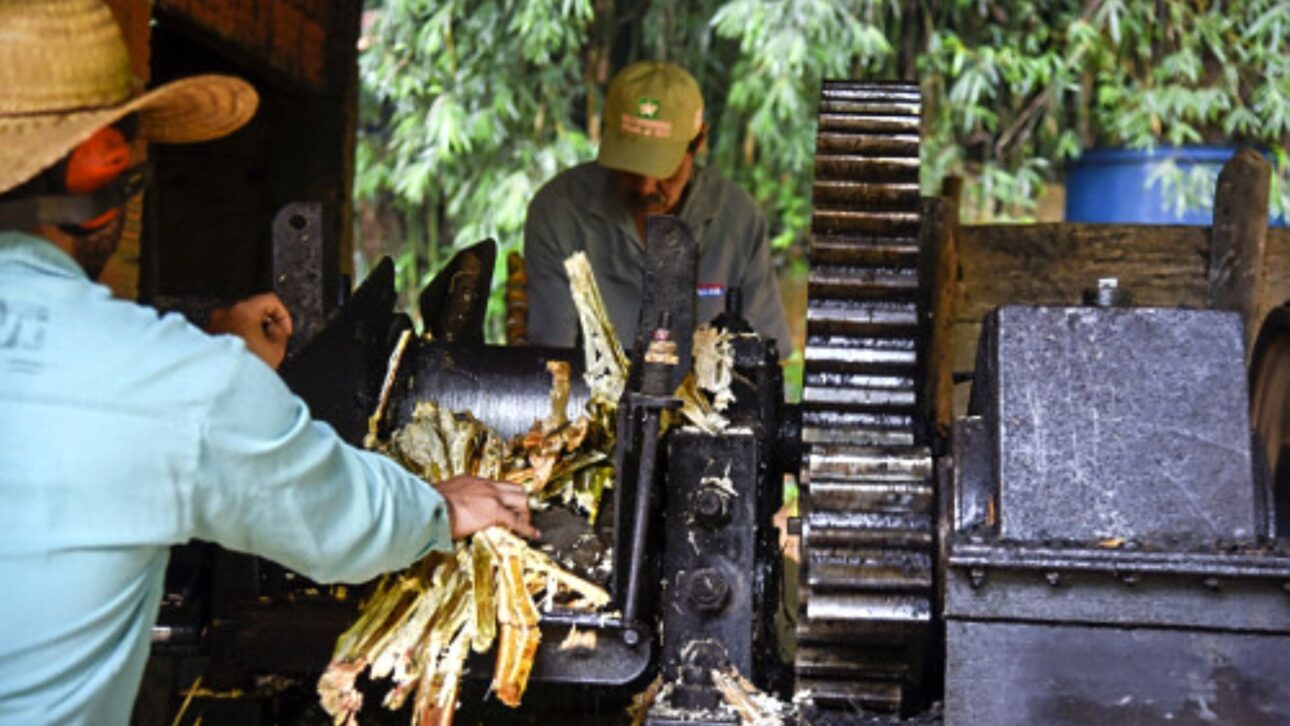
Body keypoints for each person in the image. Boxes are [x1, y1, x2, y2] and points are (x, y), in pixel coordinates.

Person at [0, 1, 535, 724]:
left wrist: (201, 334)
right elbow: (337, 522)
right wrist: (437, 507)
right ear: (105, 171)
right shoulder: (176, 387)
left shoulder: (174, 378)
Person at [524, 61, 792, 354]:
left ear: (699, 140)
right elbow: (550, 363)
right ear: (605, 135)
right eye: (630, 167)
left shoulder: (738, 221)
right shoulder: (559, 212)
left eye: (662, 169)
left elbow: (766, 358)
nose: (645, 188)